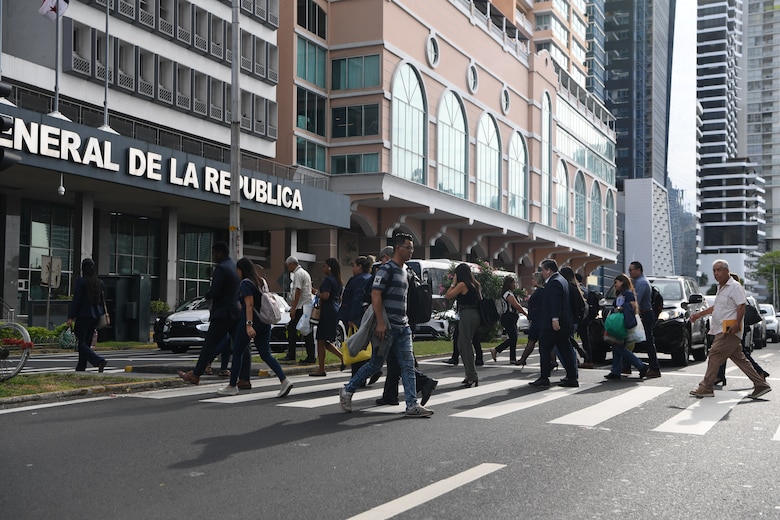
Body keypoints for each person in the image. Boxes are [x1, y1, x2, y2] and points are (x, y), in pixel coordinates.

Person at [339, 233, 433, 417]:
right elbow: (375, 294)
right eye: (409, 248)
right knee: (375, 364)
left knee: (407, 366)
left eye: (412, 248)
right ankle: (347, 390)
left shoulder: (405, 270)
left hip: (402, 326)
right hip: (387, 327)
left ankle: (412, 405)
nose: (412, 251)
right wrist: (380, 323)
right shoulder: (386, 269)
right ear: (399, 248)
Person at [689, 259, 771, 399]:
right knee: (740, 358)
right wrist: (699, 314)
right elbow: (718, 307)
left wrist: (736, 323)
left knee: (714, 354)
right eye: (714, 270)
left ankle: (707, 386)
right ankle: (761, 384)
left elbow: (741, 306)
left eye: (719, 270)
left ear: (727, 271)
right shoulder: (721, 288)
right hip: (722, 327)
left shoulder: (735, 286)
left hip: (729, 328)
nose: (716, 273)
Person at [217, 259, 293, 398]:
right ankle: (284, 380)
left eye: (237, 270)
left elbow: (249, 305)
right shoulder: (261, 281)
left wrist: (249, 325)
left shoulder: (245, 283)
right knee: (265, 354)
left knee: (238, 352)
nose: (236, 273)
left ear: (241, 270)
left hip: (250, 322)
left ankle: (232, 385)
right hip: (265, 322)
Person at [376, 248, 438, 407]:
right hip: (406, 321)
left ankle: (423, 382)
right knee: (396, 360)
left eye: (383, 258)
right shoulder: (407, 273)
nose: (382, 261)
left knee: (398, 360)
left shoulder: (399, 273)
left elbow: (405, 302)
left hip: (400, 322)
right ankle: (391, 394)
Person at [178, 241, 240, 385]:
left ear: (220, 253)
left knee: (209, 344)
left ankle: (196, 374)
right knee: (240, 346)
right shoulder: (234, 266)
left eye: (214, 253)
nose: (213, 257)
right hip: (235, 312)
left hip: (222, 313)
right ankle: (243, 377)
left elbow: (216, 291)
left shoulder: (221, 268)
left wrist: (207, 295)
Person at [712, 272, 770, 387]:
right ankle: (719, 375)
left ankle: (759, 373)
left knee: (734, 352)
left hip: (733, 326)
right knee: (727, 351)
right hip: (730, 325)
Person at [529, 259, 578, 388]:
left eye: (542, 270)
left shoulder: (555, 282)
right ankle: (572, 377)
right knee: (565, 349)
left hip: (554, 324)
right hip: (563, 323)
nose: (542, 273)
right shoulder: (562, 280)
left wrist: (554, 319)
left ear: (548, 270)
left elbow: (556, 302)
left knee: (544, 348)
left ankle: (544, 377)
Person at [603, 274, 649, 380]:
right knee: (616, 346)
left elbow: (632, 307)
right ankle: (616, 370)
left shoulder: (627, 294)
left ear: (622, 282)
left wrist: (620, 308)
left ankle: (641, 366)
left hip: (622, 323)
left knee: (619, 347)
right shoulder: (621, 294)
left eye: (616, 282)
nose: (615, 285)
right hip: (618, 323)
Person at [67, 258, 108, 372]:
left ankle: (98, 360)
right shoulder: (100, 283)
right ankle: (81, 367)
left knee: (80, 343)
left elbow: (77, 300)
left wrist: (71, 317)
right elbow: (102, 301)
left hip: (83, 316)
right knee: (86, 343)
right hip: (95, 317)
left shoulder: (81, 281)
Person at [445, 263, 482, 388]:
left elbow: (448, 295)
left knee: (465, 345)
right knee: (463, 344)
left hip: (467, 314)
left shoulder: (462, 285)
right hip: (475, 314)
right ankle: (469, 374)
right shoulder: (475, 284)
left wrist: (452, 283)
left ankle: (471, 376)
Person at [309, 258, 345, 376]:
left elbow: (325, 295)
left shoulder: (328, 280)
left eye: (324, 266)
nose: (323, 268)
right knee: (325, 341)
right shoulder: (338, 280)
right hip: (335, 309)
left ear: (329, 267)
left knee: (320, 340)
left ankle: (321, 368)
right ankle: (342, 357)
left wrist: (316, 292)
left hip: (327, 310)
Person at [628, 261, 661, 378]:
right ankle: (627, 366)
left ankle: (654, 368)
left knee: (647, 342)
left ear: (638, 270)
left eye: (631, 270)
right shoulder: (639, 281)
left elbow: (637, 301)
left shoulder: (641, 283)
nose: (629, 272)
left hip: (645, 315)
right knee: (636, 341)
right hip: (645, 314)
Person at [282, 256, 316, 364]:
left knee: (294, 329)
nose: (288, 269)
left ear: (292, 264)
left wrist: (293, 308)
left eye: (288, 266)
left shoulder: (297, 274)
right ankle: (310, 355)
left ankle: (294, 355)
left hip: (301, 306)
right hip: (306, 305)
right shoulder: (304, 273)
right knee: (305, 330)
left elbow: (298, 291)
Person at [517, 271, 554, 367]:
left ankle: (523, 359)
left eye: (533, 279)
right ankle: (552, 360)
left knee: (533, 341)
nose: (531, 281)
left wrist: (531, 316)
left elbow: (535, 306)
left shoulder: (539, 292)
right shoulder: (544, 291)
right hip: (541, 320)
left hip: (538, 320)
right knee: (544, 342)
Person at [490, 276, 528, 364]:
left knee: (513, 337)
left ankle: (512, 358)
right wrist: (526, 314)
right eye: (514, 283)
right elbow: (516, 305)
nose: (515, 285)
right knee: (513, 337)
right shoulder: (507, 294)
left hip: (512, 317)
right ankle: (496, 350)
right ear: (509, 284)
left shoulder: (511, 293)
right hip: (508, 317)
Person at [559, 267, 590, 368]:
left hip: (568, 319)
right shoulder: (576, 288)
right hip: (575, 320)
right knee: (568, 340)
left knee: (564, 344)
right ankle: (577, 356)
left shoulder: (567, 287)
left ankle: (572, 365)